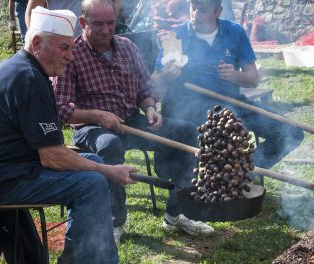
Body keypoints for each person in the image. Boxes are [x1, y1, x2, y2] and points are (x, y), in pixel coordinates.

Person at [0, 7, 137, 263]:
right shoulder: (29, 80)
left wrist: (102, 168)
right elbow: (53, 157)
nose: (71, 56)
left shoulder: (26, 69)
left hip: (16, 168)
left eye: (71, 48)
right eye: (64, 48)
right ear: (37, 43)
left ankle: (83, 258)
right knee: (91, 183)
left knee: (96, 165)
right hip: (1, 181)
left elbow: (50, 152)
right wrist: (109, 172)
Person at [53, 0, 215, 243]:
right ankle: (115, 222)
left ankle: (177, 212)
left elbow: (145, 88)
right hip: (92, 129)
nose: (107, 30)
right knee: (109, 145)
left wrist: (150, 108)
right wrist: (97, 115)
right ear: (83, 22)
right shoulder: (72, 56)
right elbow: (61, 109)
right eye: (98, 24)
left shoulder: (127, 47)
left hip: (133, 121)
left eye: (110, 23)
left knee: (187, 131)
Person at [152, 0, 304, 170]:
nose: (195, 15)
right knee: (230, 125)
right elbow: (154, 82)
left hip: (233, 101)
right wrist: (165, 76)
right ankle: (223, 178)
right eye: (193, 8)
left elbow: (253, 78)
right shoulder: (177, 37)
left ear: (218, 11)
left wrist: (235, 76)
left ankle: (242, 172)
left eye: (202, 10)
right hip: (190, 107)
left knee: (291, 131)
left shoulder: (234, 32)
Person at [25, 0, 122, 37]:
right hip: (60, 42)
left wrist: (108, 25)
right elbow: (32, 13)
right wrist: (36, 39)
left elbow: (116, 2)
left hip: (95, 41)